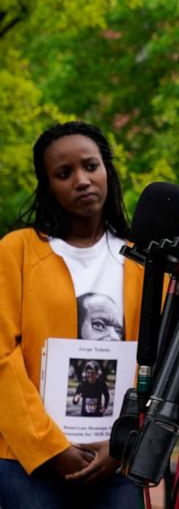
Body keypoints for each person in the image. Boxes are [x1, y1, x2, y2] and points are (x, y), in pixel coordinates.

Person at [0, 121, 142, 508]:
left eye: (90, 166)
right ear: (47, 186)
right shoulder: (17, 251)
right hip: (29, 463)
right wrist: (52, 446)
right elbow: (3, 359)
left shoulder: (144, 261)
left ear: (107, 171)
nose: (82, 180)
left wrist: (124, 442)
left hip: (118, 461)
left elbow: (158, 360)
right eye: (64, 173)